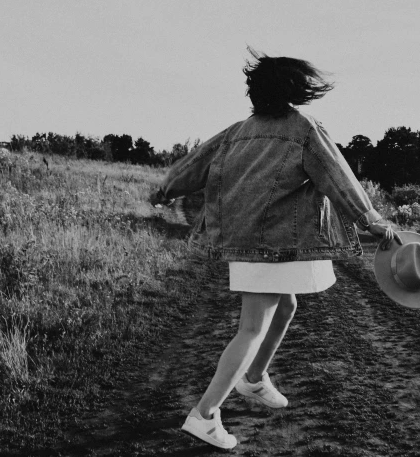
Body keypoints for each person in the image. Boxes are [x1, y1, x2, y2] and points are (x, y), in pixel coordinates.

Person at [150, 49, 398, 449]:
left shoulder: (238, 130)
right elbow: (337, 175)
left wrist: (165, 189)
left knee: (286, 306)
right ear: (295, 92)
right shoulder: (302, 128)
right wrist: (369, 218)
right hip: (274, 243)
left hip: (243, 238)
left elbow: (194, 164)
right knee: (251, 329)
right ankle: (205, 414)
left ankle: (253, 379)